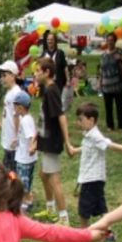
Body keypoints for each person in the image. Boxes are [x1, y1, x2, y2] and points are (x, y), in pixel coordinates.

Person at [68, 103, 122, 230]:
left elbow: (110, 145)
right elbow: (88, 147)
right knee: (100, 207)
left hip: (92, 179)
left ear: (91, 120)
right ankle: (108, 232)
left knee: (83, 208)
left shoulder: (95, 135)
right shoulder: (89, 134)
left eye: (81, 119)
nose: (78, 123)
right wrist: (76, 150)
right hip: (93, 178)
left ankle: (84, 233)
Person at [32, 57, 72, 225]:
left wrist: (68, 143)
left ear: (46, 73)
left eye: (37, 71)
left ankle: (63, 218)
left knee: (54, 179)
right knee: (43, 174)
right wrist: (36, 139)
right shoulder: (46, 90)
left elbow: (61, 117)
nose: (34, 74)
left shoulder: (52, 91)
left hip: (52, 142)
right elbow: (44, 119)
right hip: (45, 141)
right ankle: (50, 209)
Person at [12, 91, 37, 214]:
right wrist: (17, 140)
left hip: (24, 159)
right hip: (29, 159)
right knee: (27, 181)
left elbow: (32, 136)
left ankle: (26, 202)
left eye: (15, 106)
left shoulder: (25, 120)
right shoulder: (28, 118)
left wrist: (32, 147)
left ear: (20, 107)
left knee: (22, 182)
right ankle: (27, 200)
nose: (14, 109)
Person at [97, 33, 122, 131]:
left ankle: (121, 125)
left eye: (111, 40)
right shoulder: (103, 54)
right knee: (108, 107)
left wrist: (120, 58)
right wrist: (100, 81)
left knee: (120, 106)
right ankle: (110, 125)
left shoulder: (119, 52)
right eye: (108, 40)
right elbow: (101, 69)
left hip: (118, 84)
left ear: (115, 41)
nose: (109, 42)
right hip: (106, 85)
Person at [0, 60, 22, 172]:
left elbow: (18, 117)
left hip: (13, 141)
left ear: (13, 76)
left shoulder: (16, 94)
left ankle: (15, 189)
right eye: (1, 76)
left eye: (4, 76)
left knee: (12, 172)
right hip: (8, 139)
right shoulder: (9, 92)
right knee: (7, 170)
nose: (2, 79)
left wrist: (16, 137)